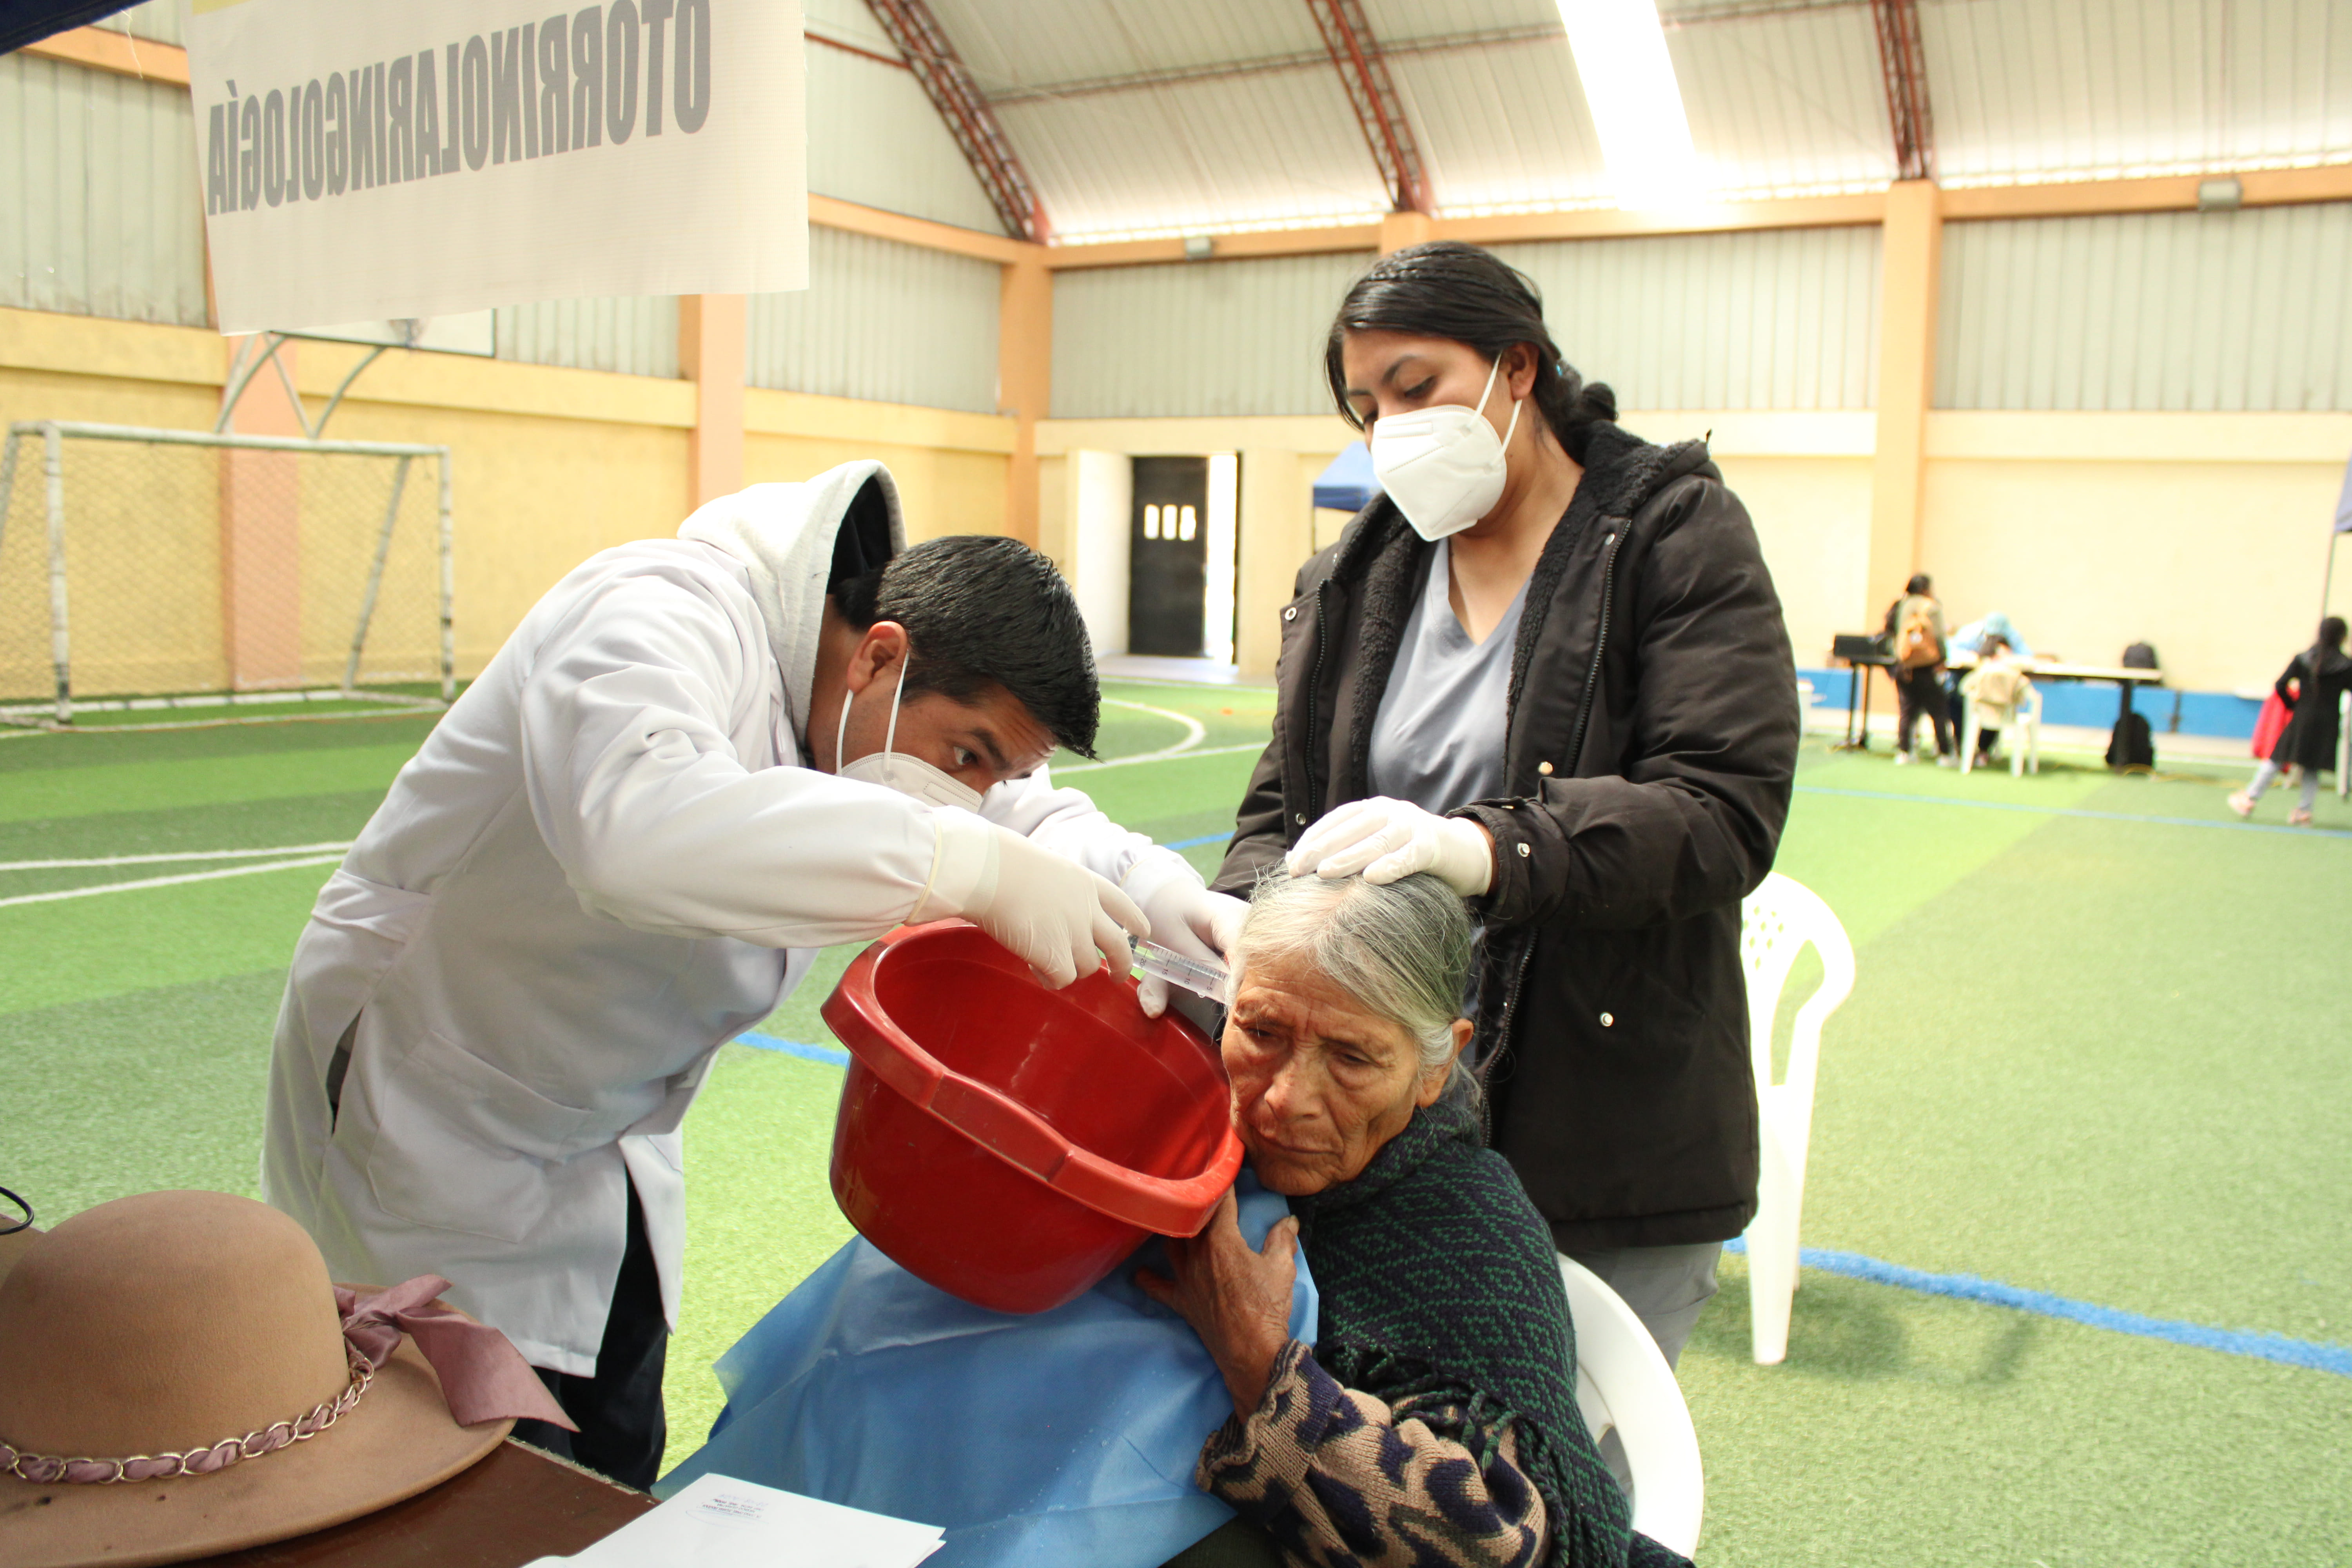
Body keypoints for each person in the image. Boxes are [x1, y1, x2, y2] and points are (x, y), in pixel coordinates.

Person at [261, 461, 1245, 1488]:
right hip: (429, 1105)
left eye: (994, 775)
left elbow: (1026, 814)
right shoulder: (657, 610)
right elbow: (637, 832)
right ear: (880, 655)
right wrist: (962, 865)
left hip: (605, 1131)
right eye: (970, 757)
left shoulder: (877, 716)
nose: (974, 799)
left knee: (611, 1440)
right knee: (456, 1468)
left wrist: (1164, 897)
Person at [1215, 241, 1799, 1367]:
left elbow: (1721, 809)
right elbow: (1281, 807)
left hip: (1596, 1115)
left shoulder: (1670, 541)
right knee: (1381, 1467)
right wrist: (1247, 919)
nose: (1390, 426)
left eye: (1417, 386)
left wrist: (1486, 848)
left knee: (1568, 1477)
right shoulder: (1353, 580)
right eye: (1365, 404)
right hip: (1376, 1122)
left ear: (1517, 368)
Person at [1150, 871, 1688, 1568]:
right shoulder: (1196, 1141)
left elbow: (1492, 1538)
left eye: (1351, 1057)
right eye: (1261, 1031)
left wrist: (1257, 1362)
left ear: (1435, 1067)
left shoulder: (1469, 1233)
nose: (1287, 1098)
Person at [2229, 616, 2352, 826]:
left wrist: (2292, 705)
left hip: (2302, 717)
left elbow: (2280, 684)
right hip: (2329, 721)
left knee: (2276, 759)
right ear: (2343, 637)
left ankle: (2250, 798)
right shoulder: (2346, 665)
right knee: (2312, 767)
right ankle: (2304, 811)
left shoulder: (2303, 659)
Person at [1885, 572, 1953, 765]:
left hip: (1904, 665)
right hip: (1926, 666)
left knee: (1907, 710)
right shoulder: (1931, 607)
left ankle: (1905, 751)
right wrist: (1943, 658)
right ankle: (1945, 754)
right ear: (1925, 589)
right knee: (1938, 710)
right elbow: (1939, 636)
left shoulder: (1902, 605)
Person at [1957, 633, 2031, 767]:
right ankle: (1983, 752)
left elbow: (1964, 688)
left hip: (1977, 712)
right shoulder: (2011, 669)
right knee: (1994, 713)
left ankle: (1969, 750)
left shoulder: (1980, 668)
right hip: (2001, 712)